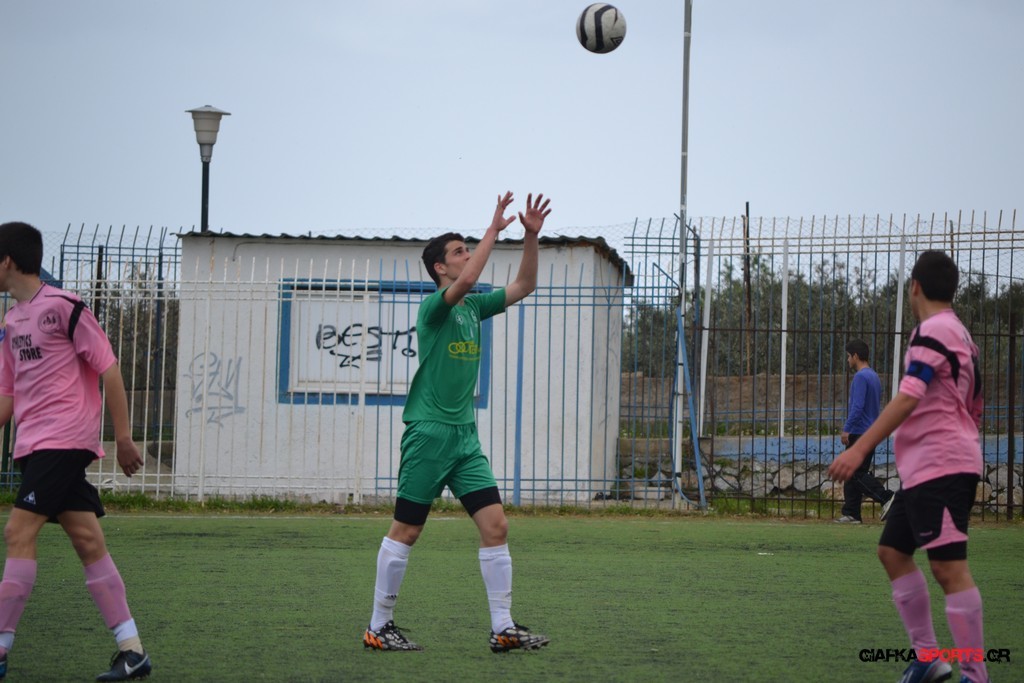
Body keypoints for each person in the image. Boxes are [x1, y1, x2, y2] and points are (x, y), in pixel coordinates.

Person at [362, 192, 551, 653]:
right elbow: (469, 279)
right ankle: (378, 627)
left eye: (469, 248)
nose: (467, 257)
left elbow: (525, 285)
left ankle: (503, 628)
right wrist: (493, 230)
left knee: (496, 527)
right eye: (459, 251)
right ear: (439, 268)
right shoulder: (435, 308)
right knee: (407, 530)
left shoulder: (473, 307)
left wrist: (529, 236)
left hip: (465, 439)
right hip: (428, 434)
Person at [0, 222, 152, 681]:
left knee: (17, 532)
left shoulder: (65, 307)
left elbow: (109, 368)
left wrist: (123, 437)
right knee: (87, 541)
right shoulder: (10, 323)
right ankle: (133, 652)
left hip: (63, 439)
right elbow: (7, 397)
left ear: (6, 262)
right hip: (34, 444)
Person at [828, 251, 988, 683]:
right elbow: (976, 402)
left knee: (950, 569)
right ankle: (928, 658)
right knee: (893, 552)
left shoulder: (932, 331)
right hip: (929, 468)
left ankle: (976, 675)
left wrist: (858, 449)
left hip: (941, 466)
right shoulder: (962, 335)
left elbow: (909, 395)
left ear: (914, 287)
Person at [834, 339, 895, 524]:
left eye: (848, 356)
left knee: (854, 472)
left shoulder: (861, 377)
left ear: (855, 356)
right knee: (853, 472)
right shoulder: (873, 376)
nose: (847, 360)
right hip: (871, 431)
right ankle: (852, 512)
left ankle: (887, 497)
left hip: (860, 432)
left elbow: (858, 407)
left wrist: (847, 429)